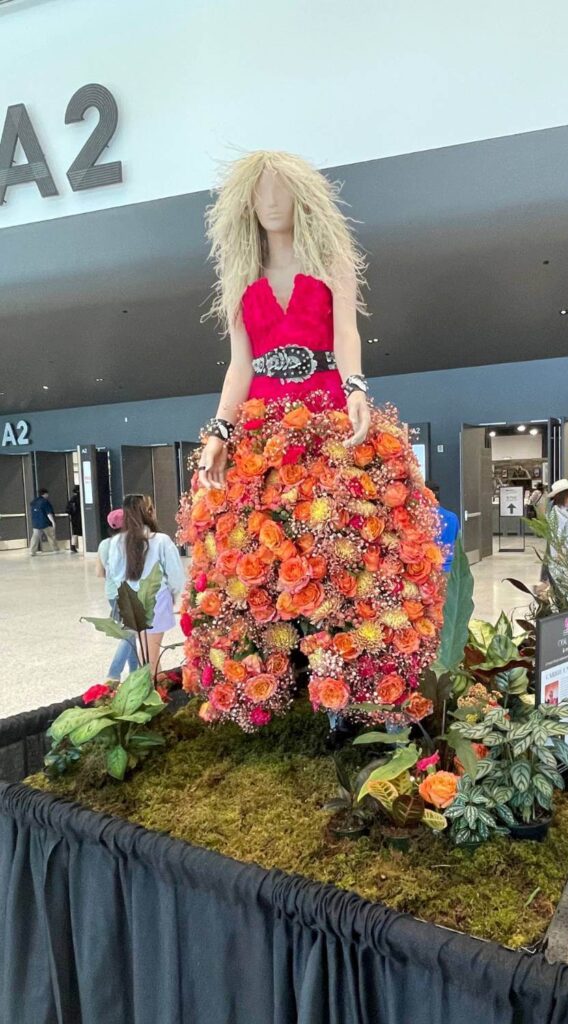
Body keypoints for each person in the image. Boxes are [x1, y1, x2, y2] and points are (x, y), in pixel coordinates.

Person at [177, 150, 445, 732]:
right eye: (259, 192)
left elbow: (346, 333)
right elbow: (239, 364)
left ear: (302, 197)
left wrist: (355, 388)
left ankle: (356, 697)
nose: (270, 201)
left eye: (280, 190)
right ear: (244, 205)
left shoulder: (331, 264)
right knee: (251, 553)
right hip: (261, 425)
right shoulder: (242, 282)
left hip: (326, 408)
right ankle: (260, 690)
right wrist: (220, 429)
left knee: (348, 545)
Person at [106, 494, 185, 675]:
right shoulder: (161, 540)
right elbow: (175, 576)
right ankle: (150, 695)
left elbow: (115, 574)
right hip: (157, 600)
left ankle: (158, 690)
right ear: (148, 512)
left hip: (131, 602)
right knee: (151, 655)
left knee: (148, 651)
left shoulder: (117, 542)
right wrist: (173, 595)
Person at [96, 508, 139, 681]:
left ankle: (135, 673)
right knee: (130, 633)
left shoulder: (104, 544)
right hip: (127, 594)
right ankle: (114, 674)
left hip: (111, 593)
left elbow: (100, 572)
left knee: (132, 632)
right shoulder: (128, 544)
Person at [545, 478, 568, 582]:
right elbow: (556, 535)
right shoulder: (557, 514)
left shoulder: (563, 511)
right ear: (564, 495)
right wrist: (560, 553)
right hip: (563, 558)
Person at [426, 480, 459, 572]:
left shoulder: (422, 519)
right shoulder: (453, 517)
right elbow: (457, 541)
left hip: (431, 570)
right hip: (451, 569)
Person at [29, 487, 59, 555]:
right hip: (45, 523)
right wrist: (53, 522)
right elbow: (48, 513)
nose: (48, 495)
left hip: (36, 523)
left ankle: (32, 551)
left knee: (35, 537)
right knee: (51, 536)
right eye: (47, 494)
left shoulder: (34, 502)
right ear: (45, 494)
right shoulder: (45, 502)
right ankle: (55, 549)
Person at [66, 485, 82, 553]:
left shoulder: (72, 499)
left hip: (74, 518)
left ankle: (73, 546)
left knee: (75, 532)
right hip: (80, 517)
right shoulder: (81, 498)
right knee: (84, 531)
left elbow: (68, 510)